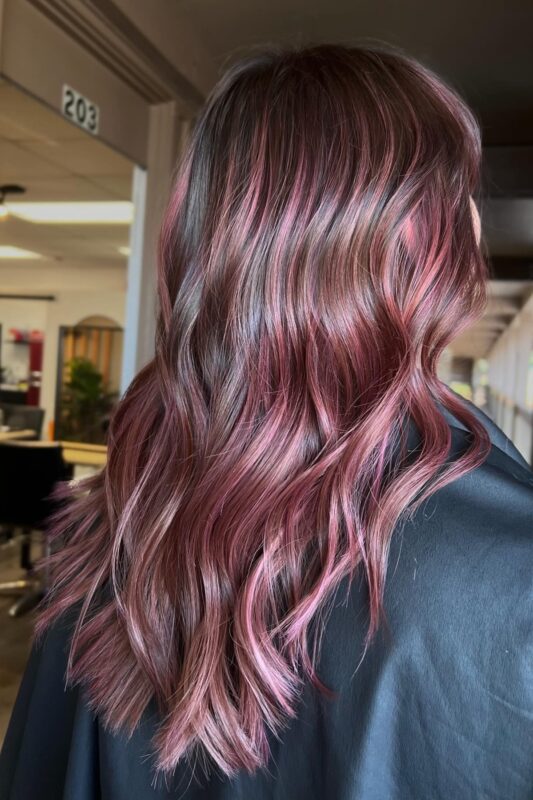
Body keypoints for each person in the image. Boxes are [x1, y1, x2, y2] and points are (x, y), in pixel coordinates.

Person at [1, 44, 532, 800]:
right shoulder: (513, 571)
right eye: (461, 191)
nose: (475, 217)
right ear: (423, 243)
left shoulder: (118, 526)